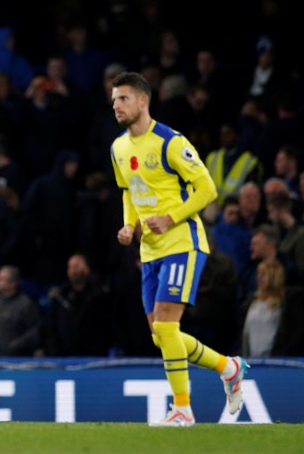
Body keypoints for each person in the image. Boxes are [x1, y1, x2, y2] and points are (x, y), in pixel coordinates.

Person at [109, 71, 246, 427]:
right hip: (150, 250)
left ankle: (182, 409)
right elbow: (129, 189)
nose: (115, 106)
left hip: (183, 242)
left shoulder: (171, 142)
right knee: (160, 336)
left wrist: (170, 218)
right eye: (113, 100)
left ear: (143, 101)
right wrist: (130, 224)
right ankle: (228, 368)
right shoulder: (119, 148)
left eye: (123, 98)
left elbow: (207, 189)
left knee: (168, 328)